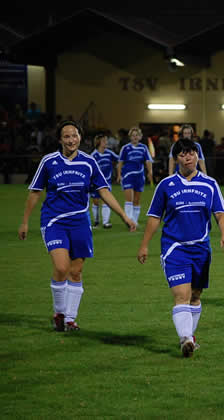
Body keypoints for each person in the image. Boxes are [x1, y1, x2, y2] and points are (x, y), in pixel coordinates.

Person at [18, 121, 135, 332]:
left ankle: (70, 319)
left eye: (74, 135)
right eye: (66, 136)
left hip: (80, 221)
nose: (71, 140)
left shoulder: (88, 163)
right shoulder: (49, 161)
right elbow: (35, 192)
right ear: (60, 139)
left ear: (80, 138)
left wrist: (124, 216)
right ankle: (59, 313)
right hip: (54, 221)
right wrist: (25, 221)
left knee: (76, 271)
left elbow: (103, 191)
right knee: (62, 267)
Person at [137, 139, 224, 357]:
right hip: (174, 248)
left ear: (197, 155)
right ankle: (186, 339)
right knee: (182, 294)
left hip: (201, 249)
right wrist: (144, 245)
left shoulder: (209, 184)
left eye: (191, 153)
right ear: (176, 159)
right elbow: (154, 217)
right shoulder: (166, 185)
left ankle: (189, 336)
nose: (187, 158)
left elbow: (220, 213)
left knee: (195, 296)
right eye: (182, 154)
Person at [117, 127, 153, 225]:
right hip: (127, 176)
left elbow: (148, 161)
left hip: (139, 176)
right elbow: (120, 162)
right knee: (129, 199)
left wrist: (150, 172)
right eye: (133, 135)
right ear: (130, 137)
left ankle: (135, 221)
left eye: (137, 135)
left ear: (140, 137)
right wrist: (119, 174)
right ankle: (129, 222)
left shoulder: (144, 148)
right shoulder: (125, 148)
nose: (135, 137)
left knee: (136, 200)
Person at [90, 133, 120, 228]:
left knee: (106, 201)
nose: (106, 142)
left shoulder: (109, 153)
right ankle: (96, 221)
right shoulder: (93, 155)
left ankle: (106, 222)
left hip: (106, 182)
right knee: (95, 202)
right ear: (98, 142)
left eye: (106, 140)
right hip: (95, 182)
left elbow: (120, 159)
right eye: (104, 141)